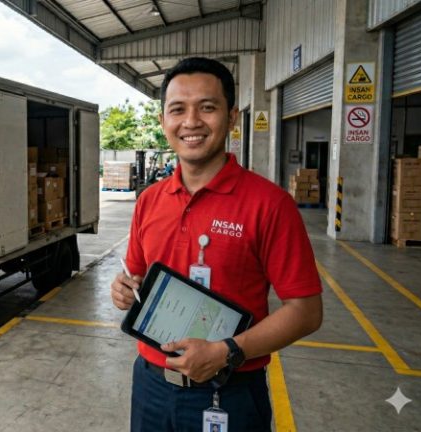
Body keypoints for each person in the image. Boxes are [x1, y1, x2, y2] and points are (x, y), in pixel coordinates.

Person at [110, 57, 323, 431]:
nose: (191, 121)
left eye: (207, 107)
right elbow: (136, 277)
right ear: (163, 122)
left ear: (232, 116)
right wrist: (123, 290)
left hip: (231, 392)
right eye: (177, 109)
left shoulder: (270, 205)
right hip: (151, 387)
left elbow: (306, 311)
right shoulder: (150, 200)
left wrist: (226, 352)